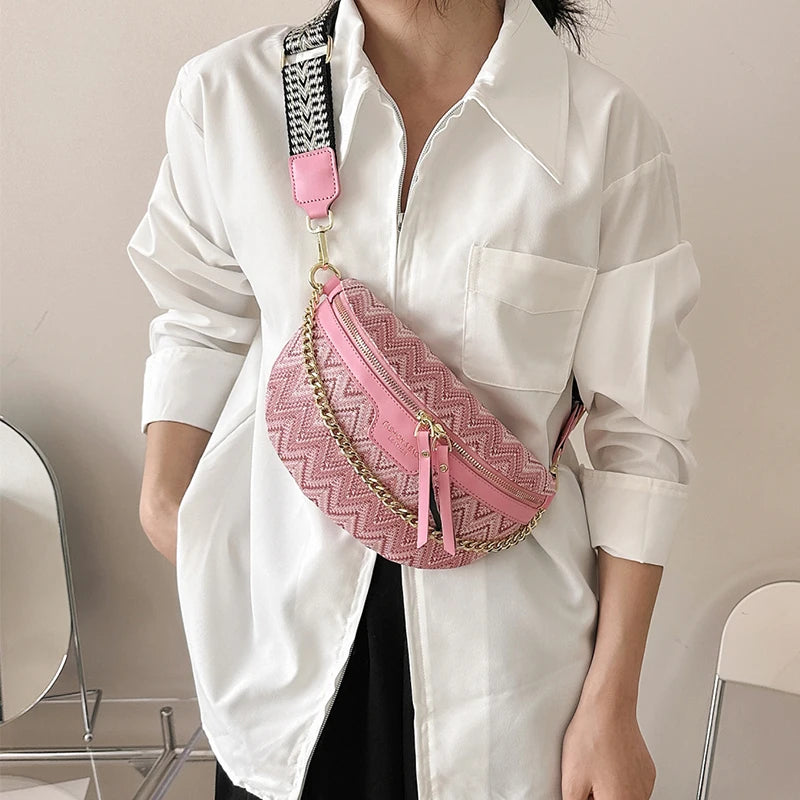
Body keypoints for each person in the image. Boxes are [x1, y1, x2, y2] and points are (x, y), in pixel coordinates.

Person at [127, 0, 701, 798]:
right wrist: (167, 504)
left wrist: (613, 703)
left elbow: (638, 435)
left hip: (509, 674)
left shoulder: (603, 134)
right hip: (279, 663)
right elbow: (199, 317)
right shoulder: (233, 96)